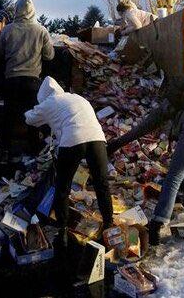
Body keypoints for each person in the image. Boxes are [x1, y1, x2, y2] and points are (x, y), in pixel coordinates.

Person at [106, 73, 184, 245]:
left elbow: (142, 129)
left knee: (175, 174)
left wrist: (116, 144)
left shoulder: (168, 106)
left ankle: (157, 223)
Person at [25, 76, 113, 248]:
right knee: (102, 184)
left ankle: (63, 231)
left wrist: (34, 110)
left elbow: (30, 119)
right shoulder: (77, 97)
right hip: (97, 139)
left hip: (72, 140)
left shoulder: (49, 102)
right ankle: (109, 226)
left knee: (63, 187)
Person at [0, 0, 54, 152]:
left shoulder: (7, 30)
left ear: (16, 10)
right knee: (33, 118)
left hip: (11, 81)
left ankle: (5, 150)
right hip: (32, 82)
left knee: (9, 117)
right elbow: (49, 56)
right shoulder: (41, 30)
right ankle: (34, 150)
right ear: (32, 11)